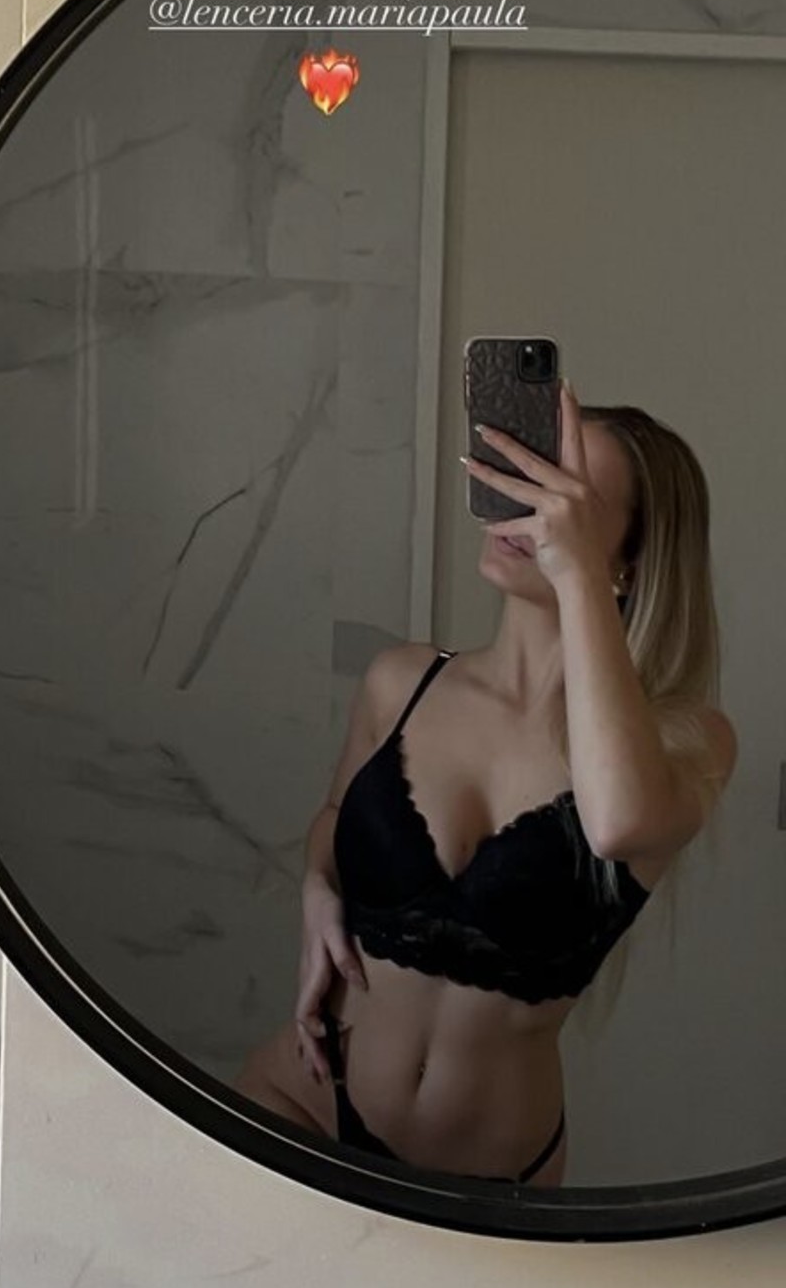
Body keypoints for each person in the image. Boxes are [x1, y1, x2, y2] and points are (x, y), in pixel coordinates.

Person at [232, 381, 737, 1186]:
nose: (525, 510)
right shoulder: (401, 681)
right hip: (302, 1100)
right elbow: (333, 814)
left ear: (628, 562)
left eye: (566, 500)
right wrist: (318, 885)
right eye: (526, 480)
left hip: (489, 1181)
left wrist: (575, 573)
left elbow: (616, 824)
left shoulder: (686, 741)